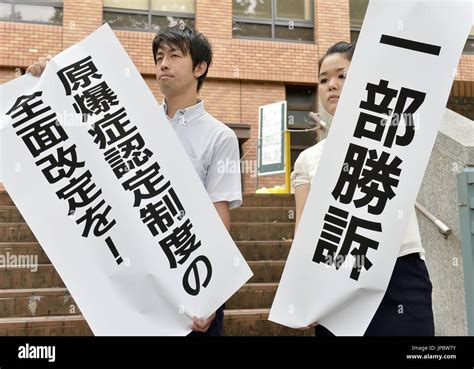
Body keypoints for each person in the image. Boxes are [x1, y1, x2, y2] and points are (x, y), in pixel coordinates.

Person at [26, 25, 242, 336]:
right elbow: (82, 128)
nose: (163, 64)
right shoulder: (131, 122)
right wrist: (50, 78)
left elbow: (219, 215)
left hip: (188, 277)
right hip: (136, 276)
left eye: (174, 56)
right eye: (158, 57)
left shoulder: (219, 137)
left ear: (200, 67)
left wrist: (211, 293)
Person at [292, 41, 435, 336]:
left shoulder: (396, 132)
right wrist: (305, 290)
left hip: (400, 272)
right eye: (323, 79)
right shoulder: (308, 158)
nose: (331, 85)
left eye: (342, 75)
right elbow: (304, 233)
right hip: (335, 279)